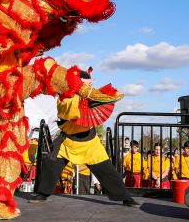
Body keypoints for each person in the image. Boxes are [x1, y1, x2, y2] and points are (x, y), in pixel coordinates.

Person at [28, 70, 138, 207]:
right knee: (51, 162)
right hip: (68, 141)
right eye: (86, 84)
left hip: (90, 143)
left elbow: (105, 99)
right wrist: (79, 100)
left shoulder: (92, 95)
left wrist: (98, 99)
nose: (89, 86)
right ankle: (42, 193)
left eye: (90, 84)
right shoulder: (66, 97)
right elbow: (66, 112)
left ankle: (125, 197)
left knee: (107, 169)